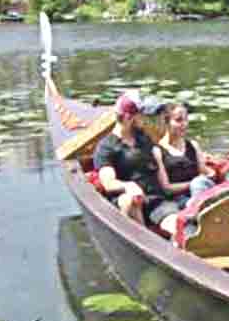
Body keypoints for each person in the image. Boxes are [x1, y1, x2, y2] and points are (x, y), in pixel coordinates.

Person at [93, 91, 166, 225]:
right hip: (130, 200)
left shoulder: (143, 136)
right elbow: (108, 183)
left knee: (174, 223)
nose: (144, 118)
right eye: (141, 115)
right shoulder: (106, 147)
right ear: (128, 118)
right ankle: (144, 240)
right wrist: (128, 186)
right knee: (130, 200)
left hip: (156, 201)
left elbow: (163, 142)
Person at [149, 101, 217, 235]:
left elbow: (206, 172)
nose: (184, 124)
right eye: (179, 120)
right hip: (178, 199)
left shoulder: (192, 145)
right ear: (166, 122)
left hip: (200, 192)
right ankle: (196, 215)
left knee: (200, 184)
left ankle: (197, 210)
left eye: (186, 120)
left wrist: (211, 174)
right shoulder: (158, 151)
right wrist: (192, 184)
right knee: (197, 184)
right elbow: (167, 188)